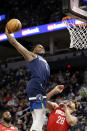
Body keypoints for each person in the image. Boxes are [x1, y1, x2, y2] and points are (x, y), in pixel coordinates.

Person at [5, 27, 64, 131]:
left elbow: (44, 95)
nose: (41, 46)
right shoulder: (32, 56)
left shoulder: (46, 63)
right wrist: (9, 35)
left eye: (42, 46)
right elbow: (16, 44)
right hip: (35, 86)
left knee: (39, 118)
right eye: (38, 46)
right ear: (33, 50)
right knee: (40, 117)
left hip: (38, 88)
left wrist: (54, 90)